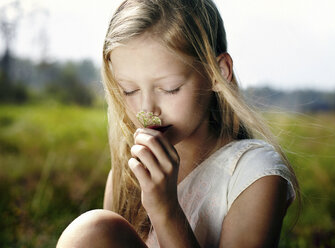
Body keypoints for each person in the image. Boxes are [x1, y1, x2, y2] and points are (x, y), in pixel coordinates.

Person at [57, 0, 299, 247]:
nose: (146, 109)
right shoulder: (129, 173)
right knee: (92, 231)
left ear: (218, 72)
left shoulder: (254, 173)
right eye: (129, 90)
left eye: (169, 89)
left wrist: (165, 209)